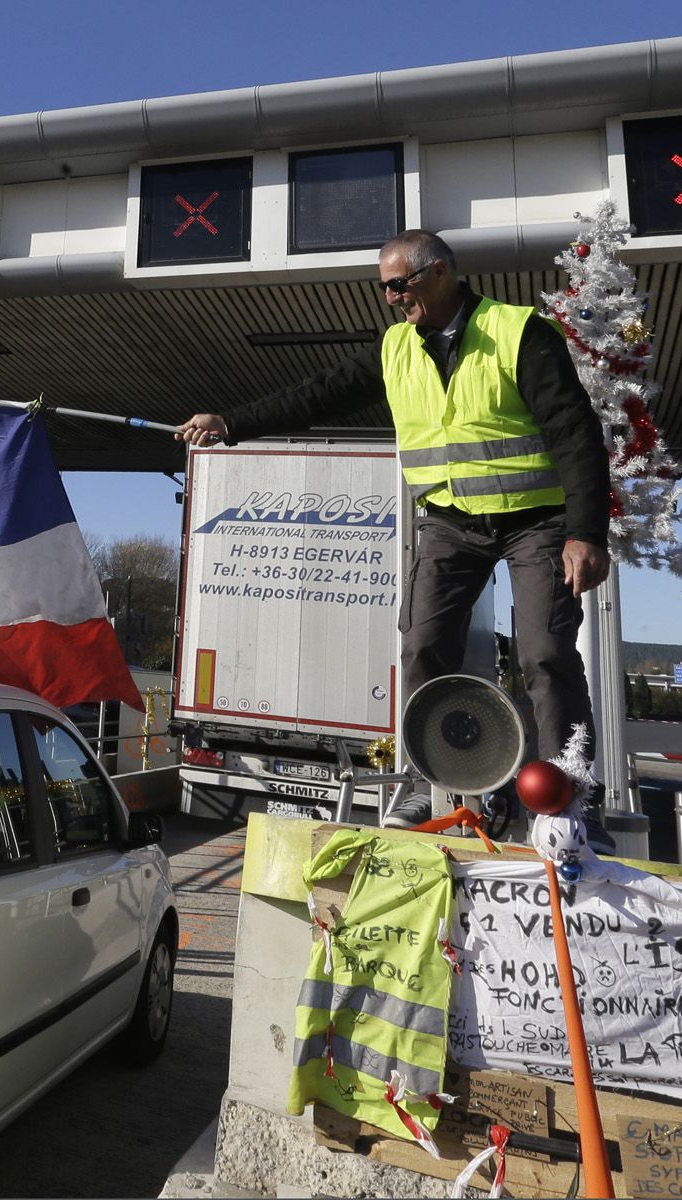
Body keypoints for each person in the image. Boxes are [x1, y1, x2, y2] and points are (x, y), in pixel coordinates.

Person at [177, 230, 610, 829]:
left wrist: (586, 532)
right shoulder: (396, 347)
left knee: (546, 653)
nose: (389, 298)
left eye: (397, 285)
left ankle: (570, 795)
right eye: (382, 287)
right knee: (422, 647)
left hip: (535, 521)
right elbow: (317, 396)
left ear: (439, 274)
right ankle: (426, 780)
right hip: (451, 525)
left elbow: (574, 431)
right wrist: (229, 422)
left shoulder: (518, 332)